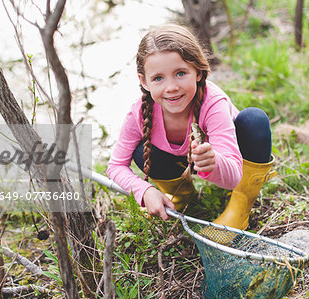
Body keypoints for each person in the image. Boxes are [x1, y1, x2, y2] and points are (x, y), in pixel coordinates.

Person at [107, 24, 275, 229]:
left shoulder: (213, 104)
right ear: (144, 81)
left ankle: (240, 205)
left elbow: (232, 177)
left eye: (180, 73)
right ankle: (181, 197)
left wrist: (213, 161)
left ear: (197, 70)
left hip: (224, 159)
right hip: (181, 162)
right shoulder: (139, 112)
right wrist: (145, 191)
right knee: (142, 152)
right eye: (158, 78)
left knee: (254, 120)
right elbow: (115, 166)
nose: (171, 87)